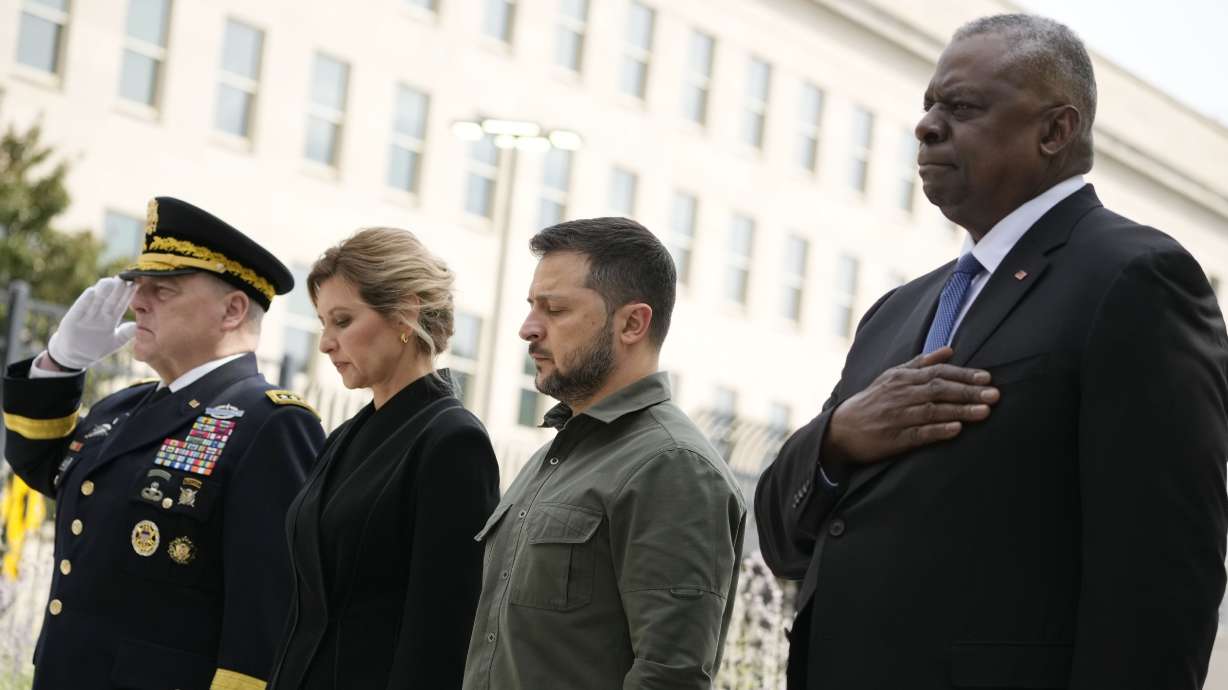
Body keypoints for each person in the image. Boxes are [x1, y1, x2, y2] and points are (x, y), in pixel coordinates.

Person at [755, 13, 1228, 690]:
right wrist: (837, 440)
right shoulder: (895, 314)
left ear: (1055, 130)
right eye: (927, 107)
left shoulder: (1136, 280)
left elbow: (1162, 577)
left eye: (963, 107)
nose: (926, 126)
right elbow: (780, 532)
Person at [2, 196, 325, 689]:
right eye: (138, 287)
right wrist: (58, 365)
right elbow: (43, 464)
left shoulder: (270, 423)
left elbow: (265, 622)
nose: (137, 302)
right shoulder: (124, 408)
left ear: (232, 310)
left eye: (163, 290)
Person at [462, 217, 746, 690]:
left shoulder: (671, 466)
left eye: (554, 310)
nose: (528, 329)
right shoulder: (556, 456)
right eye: (532, 307)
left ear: (632, 323)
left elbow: (669, 676)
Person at [268, 228, 499, 689]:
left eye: (343, 320)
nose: (326, 343)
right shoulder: (342, 437)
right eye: (322, 324)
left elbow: (441, 636)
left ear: (405, 313)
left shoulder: (453, 441)